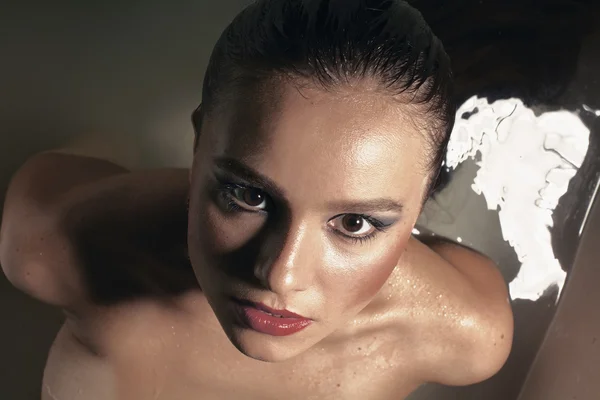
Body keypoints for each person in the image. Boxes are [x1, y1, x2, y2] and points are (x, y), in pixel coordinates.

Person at [0, 0, 513, 399]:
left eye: (355, 223)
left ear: (420, 203)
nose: (280, 275)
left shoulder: (465, 335)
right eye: (247, 194)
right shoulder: (50, 243)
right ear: (197, 143)